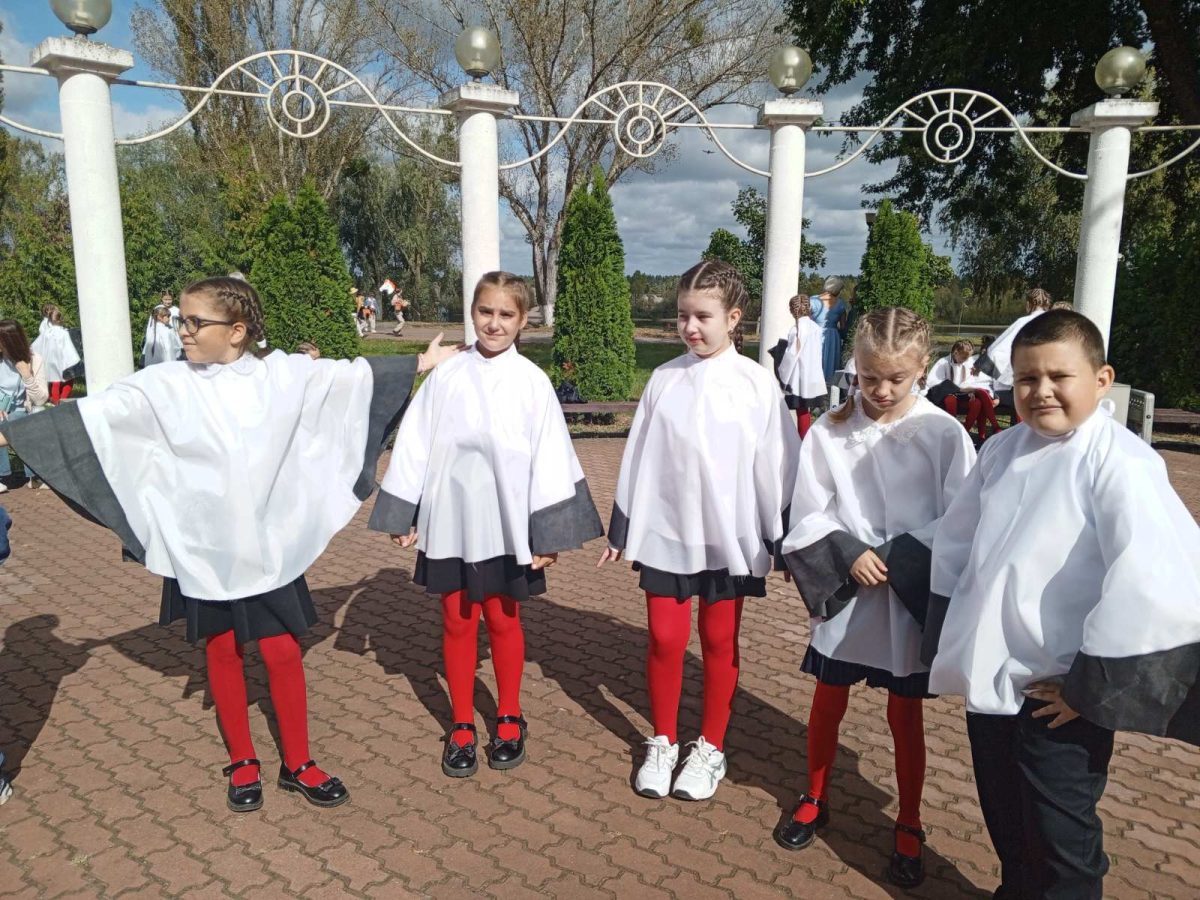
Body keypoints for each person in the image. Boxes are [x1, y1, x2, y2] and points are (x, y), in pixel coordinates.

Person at [0, 276, 461, 813]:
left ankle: (299, 762)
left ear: (237, 331)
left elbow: (347, 379)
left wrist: (421, 363)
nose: (184, 330)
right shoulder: (163, 384)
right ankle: (243, 759)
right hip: (204, 549)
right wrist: (15, 435)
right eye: (182, 321)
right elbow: (93, 419)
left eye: (196, 322)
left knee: (282, 650)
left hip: (268, 549)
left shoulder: (281, 375)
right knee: (221, 650)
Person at [925, 310, 1200, 900]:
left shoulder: (1120, 461)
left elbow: (1153, 575)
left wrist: (1089, 687)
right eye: (1027, 379)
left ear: (1101, 380)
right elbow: (956, 542)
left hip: (1061, 694)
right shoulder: (1001, 450)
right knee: (1007, 819)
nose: (1041, 391)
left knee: (1062, 838)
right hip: (994, 679)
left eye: (1058, 376)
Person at [775, 308, 976, 890]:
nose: (881, 390)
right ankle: (815, 795)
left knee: (904, 712)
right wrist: (847, 550)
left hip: (907, 591)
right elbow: (808, 507)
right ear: (854, 369)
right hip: (851, 588)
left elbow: (963, 517)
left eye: (896, 378)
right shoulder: (831, 430)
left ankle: (909, 819)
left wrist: (903, 556)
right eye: (868, 378)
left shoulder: (943, 433)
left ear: (922, 368)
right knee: (827, 697)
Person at [372, 271, 603, 778]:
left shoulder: (532, 382)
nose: (494, 323)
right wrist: (403, 512)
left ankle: (509, 715)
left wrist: (548, 533)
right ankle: (460, 723)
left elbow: (551, 457)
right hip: (451, 520)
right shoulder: (447, 376)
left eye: (505, 314)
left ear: (522, 321)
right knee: (457, 620)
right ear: (472, 312)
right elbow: (414, 444)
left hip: (507, 525)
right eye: (485, 312)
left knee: (502, 619)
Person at [599, 260, 798, 802]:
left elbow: (779, 463)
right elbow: (638, 454)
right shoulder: (664, 379)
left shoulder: (756, 384)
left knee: (717, 641)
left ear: (733, 318)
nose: (689, 327)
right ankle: (663, 741)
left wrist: (781, 541)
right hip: (668, 532)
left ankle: (710, 746)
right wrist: (622, 528)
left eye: (702, 316)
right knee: (665, 639)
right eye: (682, 315)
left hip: (728, 538)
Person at [973, 287, 1052, 409]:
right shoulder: (1054, 322)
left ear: (1029, 303)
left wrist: (981, 364)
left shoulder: (1023, 322)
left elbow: (1001, 347)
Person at [0, 321, 49, 493]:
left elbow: (41, 399)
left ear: (10, 340)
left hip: (22, 411)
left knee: (18, 418)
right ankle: (3, 475)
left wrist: (27, 375)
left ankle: (34, 476)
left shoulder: (34, 360)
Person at [925, 339, 1001, 442]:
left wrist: (970, 391)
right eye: (964, 357)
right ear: (956, 352)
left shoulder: (967, 363)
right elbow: (935, 383)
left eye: (968, 358)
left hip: (963, 394)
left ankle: (964, 432)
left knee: (977, 401)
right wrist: (958, 389)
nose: (966, 360)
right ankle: (951, 430)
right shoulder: (943, 363)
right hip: (947, 395)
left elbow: (970, 380)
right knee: (950, 399)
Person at [774, 295, 827, 438]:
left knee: (801, 411)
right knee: (806, 411)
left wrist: (781, 369)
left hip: (799, 377)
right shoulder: (816, 328)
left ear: (793, 310)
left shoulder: (796, 330)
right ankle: (806, 438)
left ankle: (801, 440)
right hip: (813, 374)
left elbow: (792, 355)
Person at [31, 304, 81, 403]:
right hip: (62, 360)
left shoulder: (47, 332)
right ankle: (62, 399)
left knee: (55, 382)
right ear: (61, 320)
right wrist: (75, 361)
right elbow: (69, 348)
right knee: (69, 380)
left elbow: (37, 344)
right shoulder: (63, 333)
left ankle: (55, 400)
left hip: (50, 359)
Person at [810, 276, 849, 382]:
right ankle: (829, 383)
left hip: (815, 333)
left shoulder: (813, 300)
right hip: (833, 336)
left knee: (814, 358)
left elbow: (807, 320)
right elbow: (843, 326)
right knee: (831, 361)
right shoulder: (840, 304)